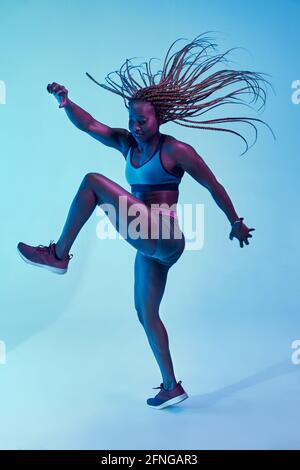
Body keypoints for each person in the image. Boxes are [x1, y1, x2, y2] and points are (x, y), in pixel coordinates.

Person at [17, 32, 273, 410]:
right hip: (149, 241)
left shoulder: (176, 150)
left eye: (142, 120)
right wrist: (65, 102)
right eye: (131, 120)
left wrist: (234, 221)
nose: (135, 126)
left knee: (93, 182)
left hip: (166, 234)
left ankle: (58, 254)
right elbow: (90, 125)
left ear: (159, 118)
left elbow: (213, 184)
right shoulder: (127, 143)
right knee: (145, 312)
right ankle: (171, 385)